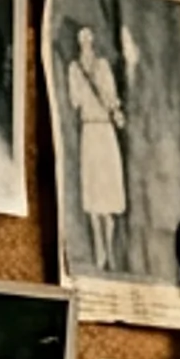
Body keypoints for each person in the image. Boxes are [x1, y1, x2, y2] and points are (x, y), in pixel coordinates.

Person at [63, 22, 128, 275]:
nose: (86, 41)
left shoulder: (102, 67)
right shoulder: (74, 69)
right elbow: (75, 101)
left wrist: (113, 109)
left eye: (89, 36)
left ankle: (110, 252)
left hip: (104, 130)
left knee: (108, 196)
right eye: (82, 37)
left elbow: (111, 97)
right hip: (89, 130)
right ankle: (100, 253)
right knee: (92, 197)